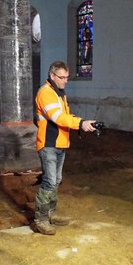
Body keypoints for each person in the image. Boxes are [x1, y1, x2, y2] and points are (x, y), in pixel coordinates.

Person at [33, 61, 97, 235]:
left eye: (67, 77)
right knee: (50, 180)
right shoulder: (45, 93)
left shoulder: (59, 92)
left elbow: (66, 116)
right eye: (62, 77)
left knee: (57, 179)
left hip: (60, 143)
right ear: (52, 76)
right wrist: (80, 124)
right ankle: (41, 219)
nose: (65, 81)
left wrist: (82, 122)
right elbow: (58, 118)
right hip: (48, 144)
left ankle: (51, 213)